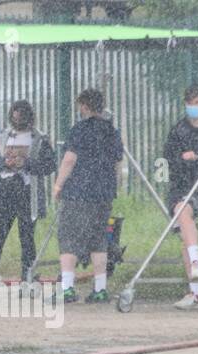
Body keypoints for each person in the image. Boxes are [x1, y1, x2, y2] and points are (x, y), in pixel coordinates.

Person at [51, 89, 123, 304]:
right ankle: (100, 289)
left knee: (69, 238)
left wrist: (57, 185)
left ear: (83, 106)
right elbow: (118, 163)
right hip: (103, 194)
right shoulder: (112, 131)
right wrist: (112, 187)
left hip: (78, 192)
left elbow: (69, 160)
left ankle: (67, 288)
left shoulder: (79, 130)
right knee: (98, 240)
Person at [0, 100, 57, 283]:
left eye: (20, 117)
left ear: (28, 118)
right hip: (5, 192)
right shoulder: (3, 136)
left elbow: (49, 165)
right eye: (14, 117)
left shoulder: (39, 138)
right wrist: (3, 164)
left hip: (27, 192)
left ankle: (28, 277)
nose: (17, 121)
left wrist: (26, 164)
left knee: (27, 239)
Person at [162, 84, 198, 309]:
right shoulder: (178, 131)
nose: (195, 107)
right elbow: (167, 161)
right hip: (186, 187)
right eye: (191, 103)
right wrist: (183, 158)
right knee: (183, 214)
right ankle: (195, 284)